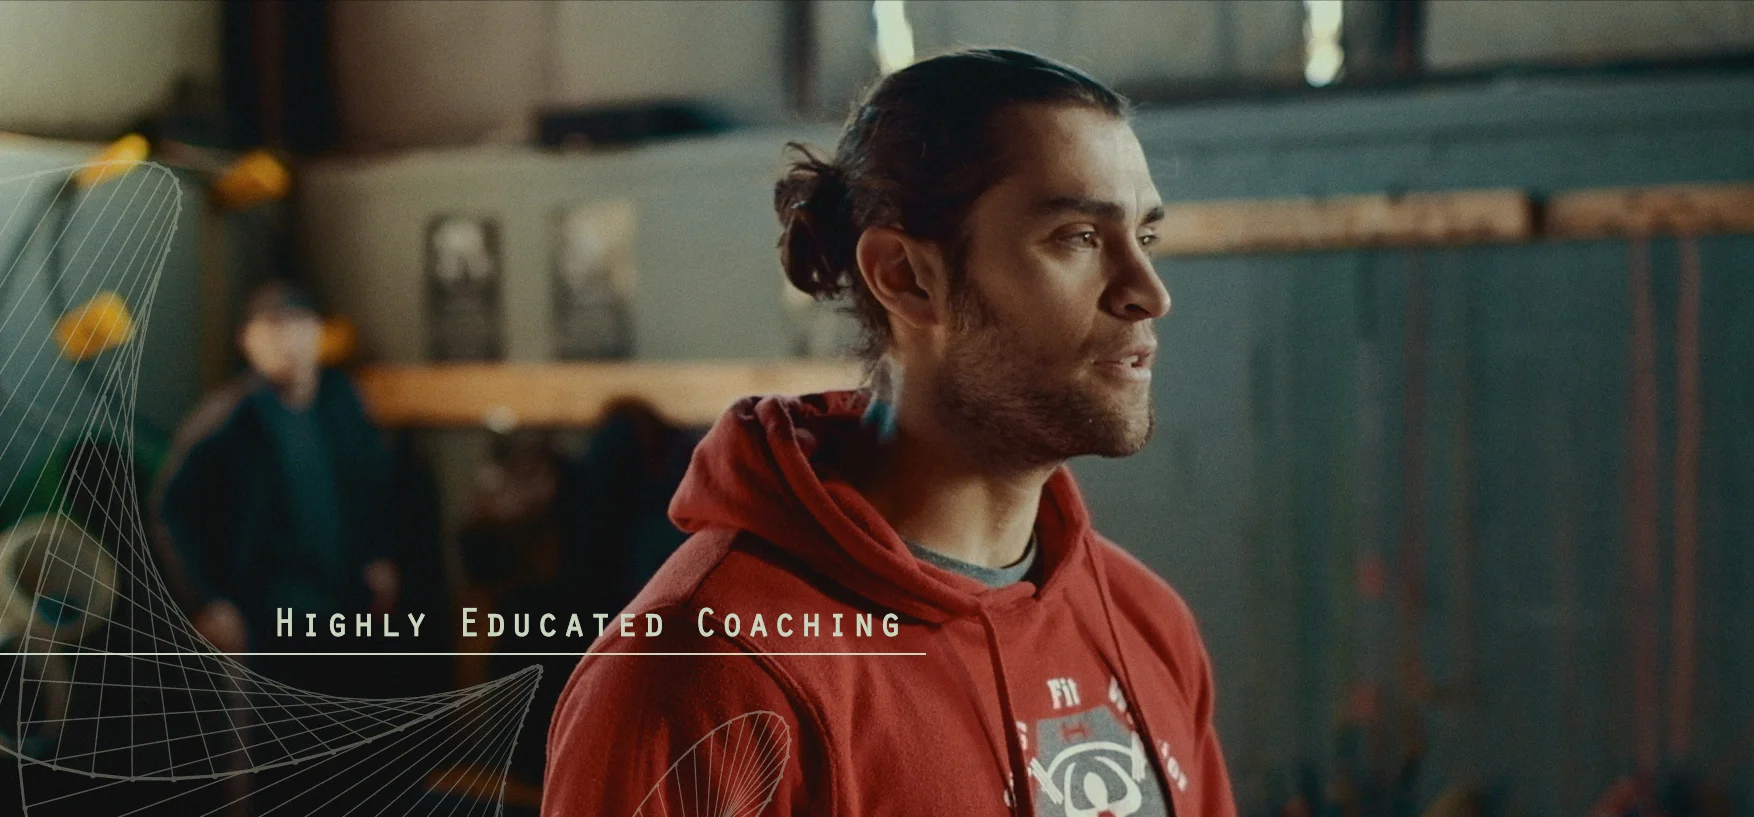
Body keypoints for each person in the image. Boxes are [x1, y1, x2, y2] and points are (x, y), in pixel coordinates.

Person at [545, 48, 1234, 816]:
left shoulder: (1147, 621)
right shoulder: (705, 675)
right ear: (905, 277)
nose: (1149, 292)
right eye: (1077, 236)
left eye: (1147, 237)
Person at [153, 280, 398, 673]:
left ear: (318, 332)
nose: (286, 341)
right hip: (267, 618)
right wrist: (207, 600)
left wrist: (378, 554)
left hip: (346, 607)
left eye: (296, 325)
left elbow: (375, 483)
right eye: (270, 328)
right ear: (246, 341)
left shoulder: (342, 402)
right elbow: (171, 509)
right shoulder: (230, 417)